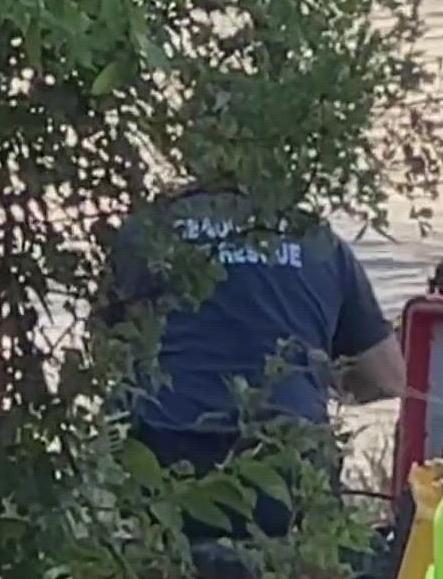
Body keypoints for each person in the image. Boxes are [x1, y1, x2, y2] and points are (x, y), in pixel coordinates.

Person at [100, 187, 409, 544]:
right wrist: (326, 380)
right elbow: (388, 378)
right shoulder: (317, 239)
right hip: (287, 465)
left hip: (169, 461)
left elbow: (107, 357)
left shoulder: (147, 229)